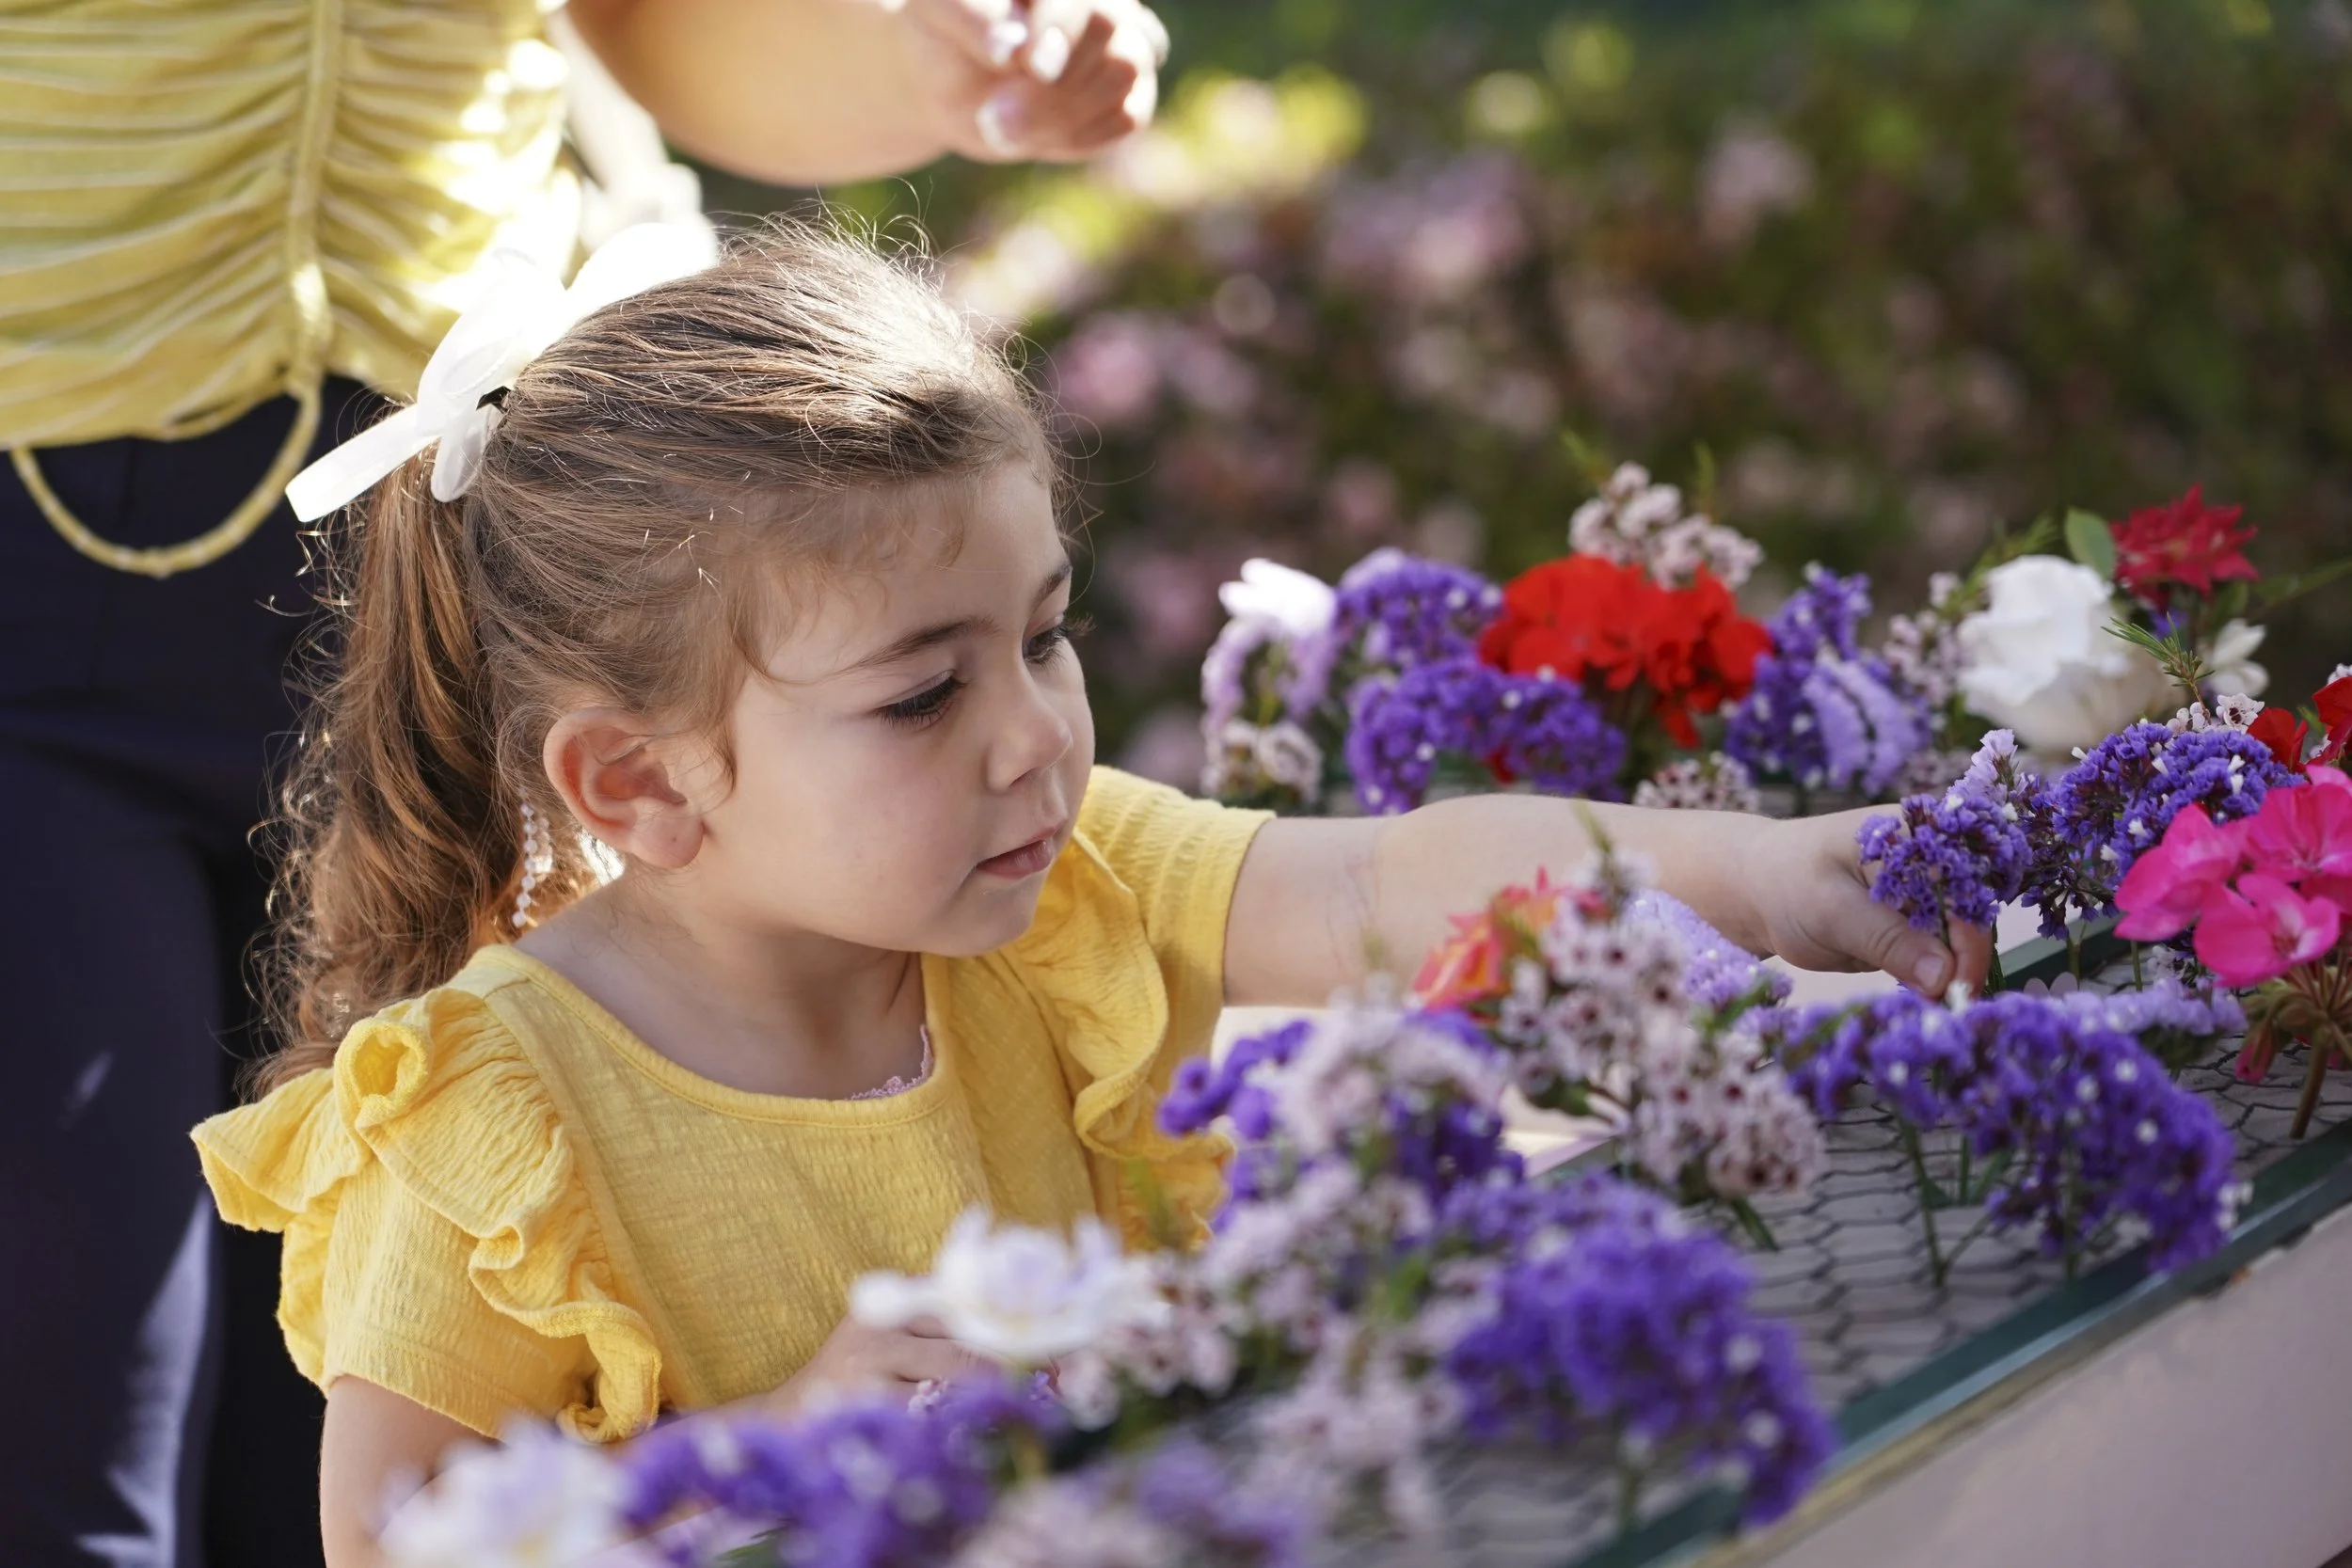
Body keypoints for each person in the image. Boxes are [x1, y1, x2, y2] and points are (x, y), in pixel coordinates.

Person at [188, 221, 1991, 1568]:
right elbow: (401, 1534)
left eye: (1043, 636)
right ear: (640, 783)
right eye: (921, 692)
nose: (1032, 736)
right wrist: (770, 1439)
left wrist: (1770, 873)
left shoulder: (1051, 898)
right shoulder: (492, 1112)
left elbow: (1396, 877)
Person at [0, 5, 1165, 1566]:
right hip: (30, 585)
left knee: (364, 1423)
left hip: (456, 563)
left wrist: (937, 68)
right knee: (74, 1461)